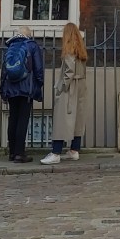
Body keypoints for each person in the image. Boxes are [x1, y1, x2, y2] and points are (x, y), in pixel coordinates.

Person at [40, 22, 87, 165]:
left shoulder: (69, 50)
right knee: (78, 120)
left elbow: (69, 71)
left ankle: (56, 152)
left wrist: (62, 87)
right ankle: (74, 150)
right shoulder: (81, 50)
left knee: (61, 120)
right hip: (80, 87)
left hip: (71, 87)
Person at [0, 25, 44, 164]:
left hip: (11, 88)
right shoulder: (32, 46)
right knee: (22, 120)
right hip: (26, 89)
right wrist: (40, 83)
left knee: (13, 119)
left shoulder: (10, 46)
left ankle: (12, 152)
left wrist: (3, 90)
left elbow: (4, 71)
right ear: (29, 35)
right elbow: (38, 68)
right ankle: (20, 153)